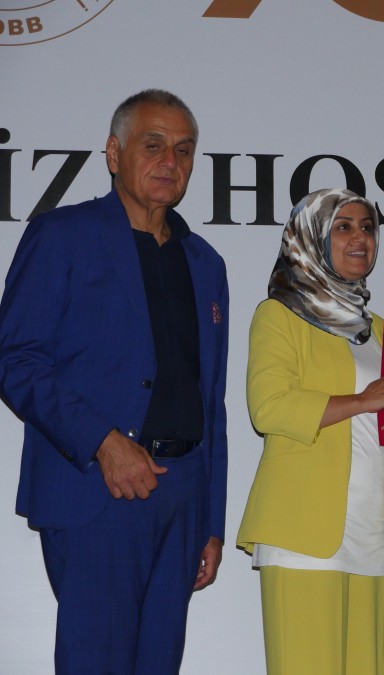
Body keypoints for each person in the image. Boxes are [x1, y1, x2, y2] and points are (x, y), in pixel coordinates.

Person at [0, 89, 229, 673]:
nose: (170, 161)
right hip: (98, 489)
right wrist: (103, 442)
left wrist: (210, 521)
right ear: (113, 152)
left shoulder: (205, 263)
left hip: (183, 500)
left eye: (183, 150)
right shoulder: (61, 235)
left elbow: (212, 400)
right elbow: (17, 360)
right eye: (153, 145)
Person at [236, 188, 384, 675]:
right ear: (310, 238)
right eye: (343, 227)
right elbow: (269, 408)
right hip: (303, 530)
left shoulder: (383, 330)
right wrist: (364, 400)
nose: (360, 238)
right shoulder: (280, 314)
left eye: (368, 228)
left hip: (371, 530)